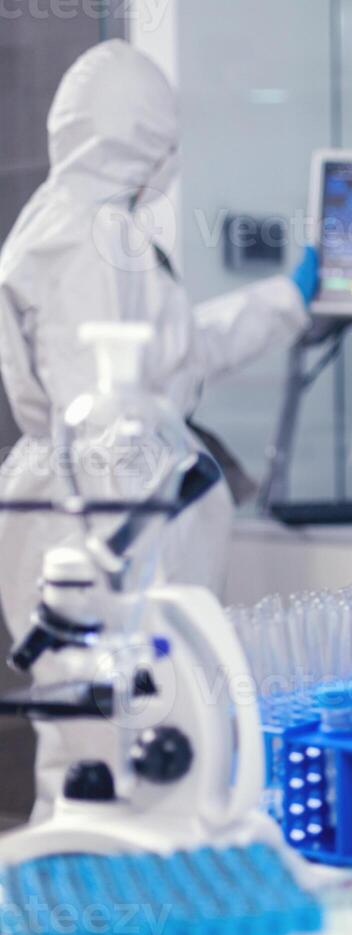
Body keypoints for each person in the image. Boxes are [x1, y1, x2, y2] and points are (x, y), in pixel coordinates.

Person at [0, 40, 318, 636]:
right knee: (111, 716)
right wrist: (139, 560)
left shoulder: (81, 223)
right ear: (144, 142)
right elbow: (101, 415)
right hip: (102, 527)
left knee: (121, 716)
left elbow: (176, 353)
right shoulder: (86, 244)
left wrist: (285, 300)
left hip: (101, 508)